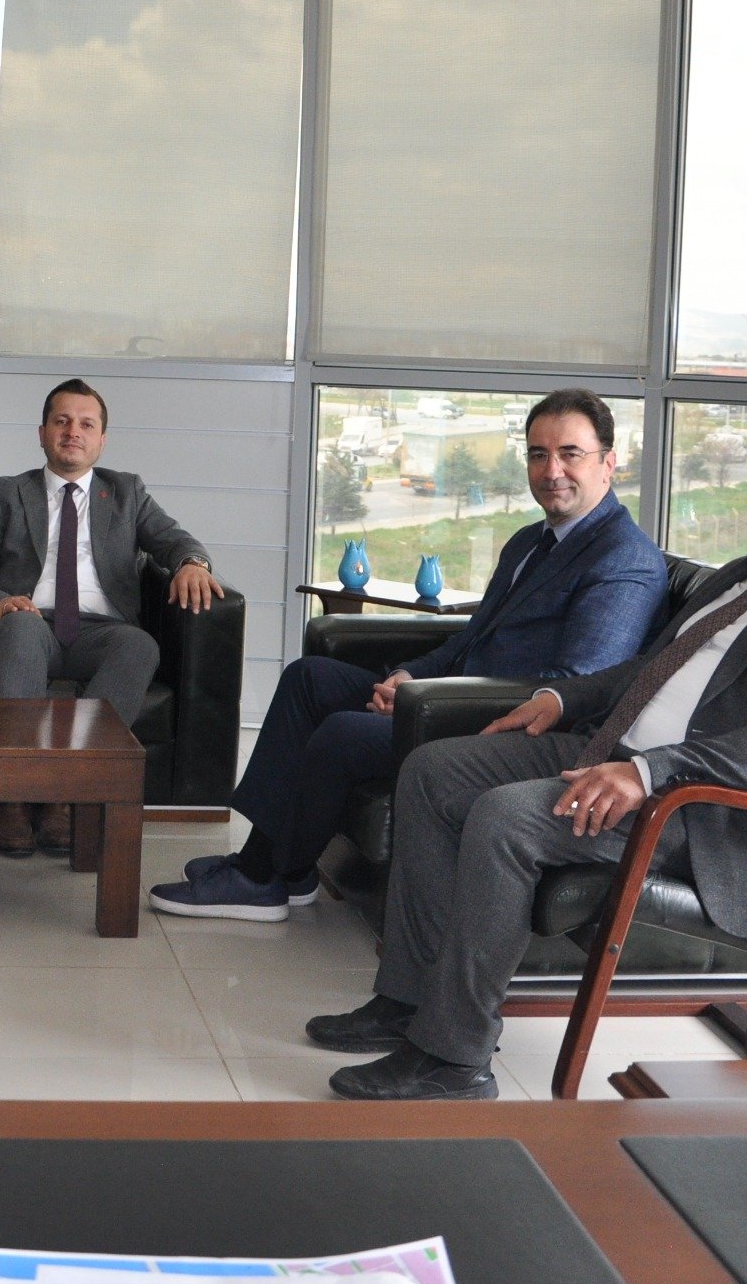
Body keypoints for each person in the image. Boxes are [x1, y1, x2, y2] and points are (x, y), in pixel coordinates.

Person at [311, 434, 747, 1101]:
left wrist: (649, 774)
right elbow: (649, 671)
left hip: (711, 810)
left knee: (508, 817)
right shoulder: (738, 578)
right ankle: (409, 998)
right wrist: (561, 698)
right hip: (614, 752)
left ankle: (452, 1059)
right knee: (433, 771)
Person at [152, 388, 669, 921]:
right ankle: (283, 866)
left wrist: (426, 701)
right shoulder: (529, 541)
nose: (552, 470)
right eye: (539, 454)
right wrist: (406, 677)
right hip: (447, 699)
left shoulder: (623, 560)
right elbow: (470, 639)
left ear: (608, 463)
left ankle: (262, 879)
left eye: (570, 453)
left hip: (500, 726)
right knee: (309, 678)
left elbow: (574, 687)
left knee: (343, 733)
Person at [0, 379, 222, 857]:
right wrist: (1, 603)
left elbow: (176, 540)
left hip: (99, 633)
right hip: (25, 626)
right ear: (42, 433)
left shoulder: (127, 492)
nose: (72, 431)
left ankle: (66, 792)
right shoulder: (8, 493)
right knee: (22, 627)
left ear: (101, 439)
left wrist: (193, 563)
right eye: (61, 421)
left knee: (139, 644)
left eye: (86, 424)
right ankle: (13, 797)